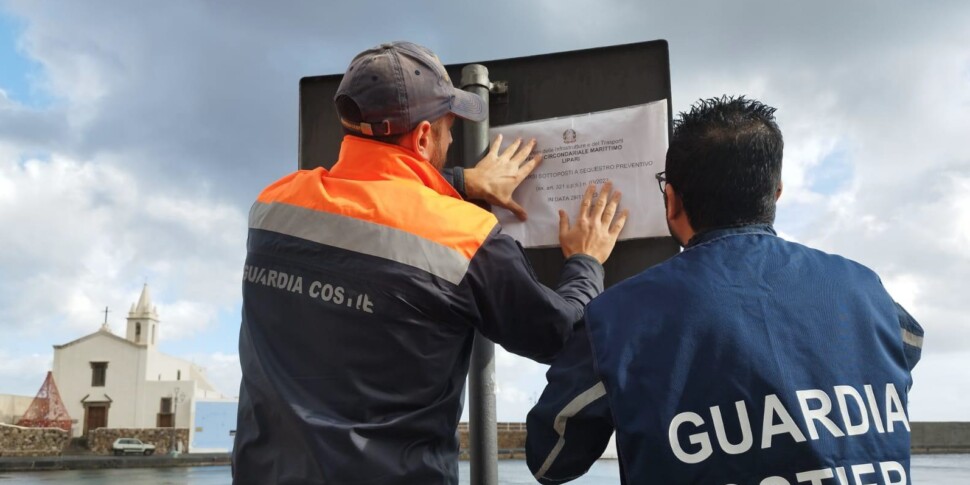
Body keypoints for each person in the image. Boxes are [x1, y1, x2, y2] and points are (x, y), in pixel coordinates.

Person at [232, 41, 629, 485]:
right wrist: (586, 261)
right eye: (448, 128)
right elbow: (557, 332)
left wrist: (459, 181)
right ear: (423, 137)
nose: (453, 138)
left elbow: (368, 203)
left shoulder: (272, 205)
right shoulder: (465, 239)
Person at [526, 96, 924, 485]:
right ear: (776, 193)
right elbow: (909, 345)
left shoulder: (616, 321)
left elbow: (551, 460)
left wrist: (586, 266)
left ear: (671, 201)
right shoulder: (869, 293)